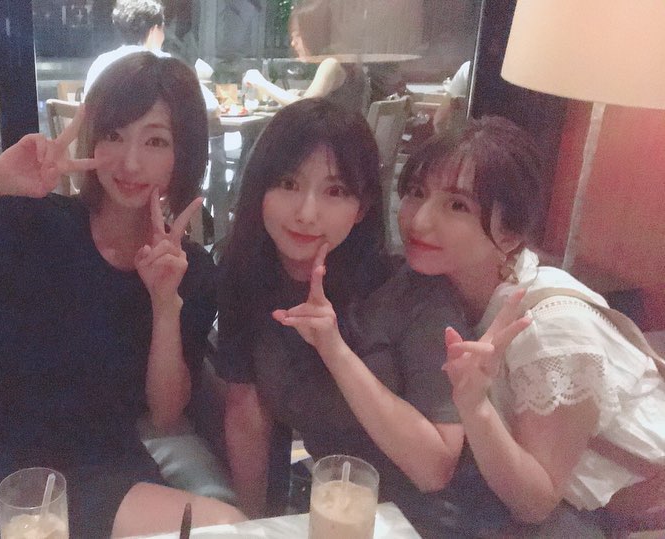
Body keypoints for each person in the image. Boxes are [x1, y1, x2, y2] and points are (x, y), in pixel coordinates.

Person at [0, 52, 245, 538]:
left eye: (155, 141)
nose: (130, 162)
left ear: (184, 153)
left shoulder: (186, 269)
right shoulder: (33, 222)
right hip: (7, 472)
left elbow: (166, 414)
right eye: (114, 135)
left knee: (226, 528)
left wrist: (164, 306)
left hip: (107, 467)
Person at [215, 97, 510, 537]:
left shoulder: (412, 294)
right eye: (288, 183)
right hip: (335, 514)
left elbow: (435, 469)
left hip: (434, 522)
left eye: (335, 191)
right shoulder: (247, 279)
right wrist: (254, 525)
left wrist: (334, 349)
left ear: (364, 206)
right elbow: (246, 413)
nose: (306, 213)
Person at [402, 116, 665, 534]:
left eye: (457, 205)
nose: (418, 221)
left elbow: (535, 502)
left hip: (624, 513)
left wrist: (475, 406)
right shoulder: (445, 291)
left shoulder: (548, 331)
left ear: (510, 235)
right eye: (417, 193)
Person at [240, 0, 369, 114]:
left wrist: (261, 83)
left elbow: (304, 106)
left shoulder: (330, 63)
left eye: (297, 35)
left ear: (312, 35)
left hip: (333, 134)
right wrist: (300, 93)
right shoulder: (339, 58)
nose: (293, 43)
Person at [83, 0, 168, 97]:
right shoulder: (163, 63)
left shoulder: (101, 62)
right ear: (155, 29)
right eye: (162, 29)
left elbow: (87, 103)